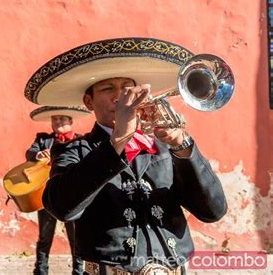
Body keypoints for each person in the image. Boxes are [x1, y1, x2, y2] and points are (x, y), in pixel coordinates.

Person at [24, 38, 228, 274]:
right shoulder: (75, 150)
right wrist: (117, 141)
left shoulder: (163, 144)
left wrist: (183, 147)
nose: (120, 96)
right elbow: (61, 207)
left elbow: (213, 210)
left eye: (127, 88)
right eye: (108, 88)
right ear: (88, 102)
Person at [26, 106, 91, 275]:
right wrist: (39, 154)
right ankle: (41, 270)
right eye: (55, 119)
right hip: (47, 195)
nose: (57, 122)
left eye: (62, 119)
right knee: (44, 237)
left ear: (70, 121)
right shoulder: (43, 140)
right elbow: (30, 152)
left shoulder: (81, 140)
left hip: (72, 196)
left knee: (76, 238)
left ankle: (78, 270)